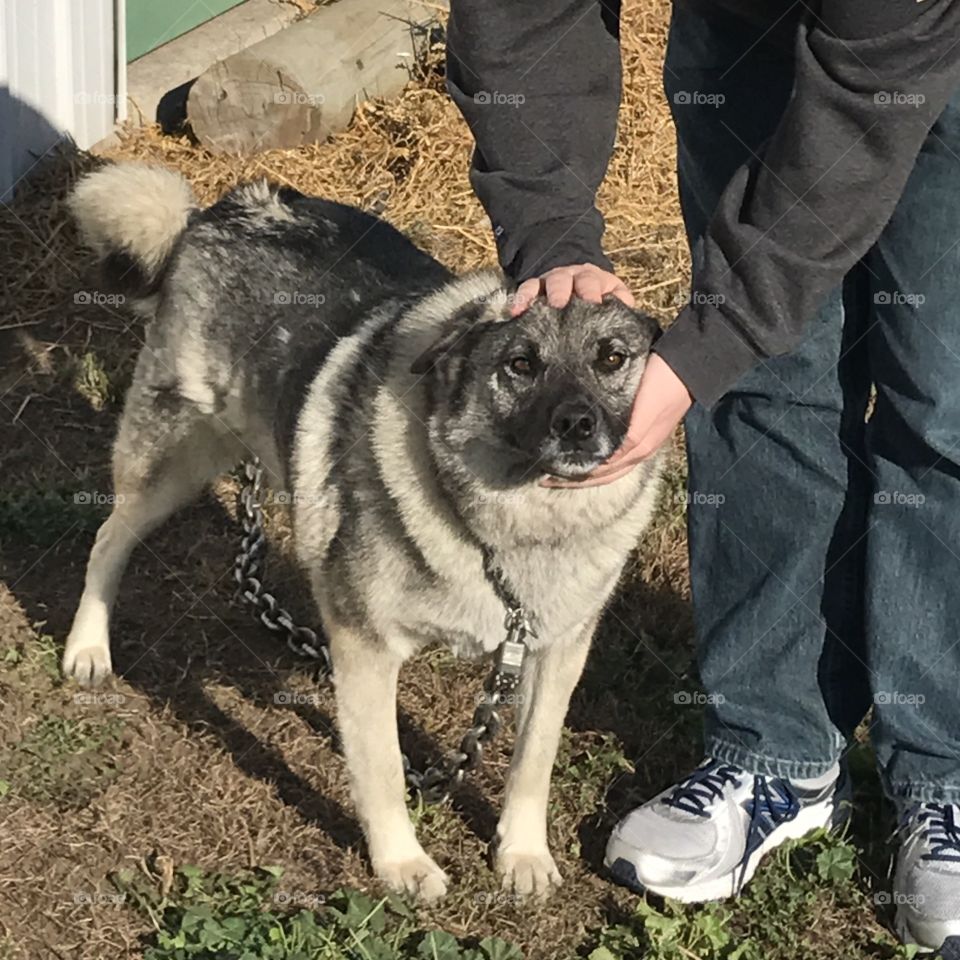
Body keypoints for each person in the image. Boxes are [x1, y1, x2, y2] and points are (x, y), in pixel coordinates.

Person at [446, 0, 960, 951]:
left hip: (920, 34)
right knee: (762, 383)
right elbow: (520, 16)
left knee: (946, 397)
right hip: (746, 34)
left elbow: (869, 87)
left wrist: (716, 333)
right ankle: (775, 750)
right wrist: (552, 234)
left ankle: (948, 772)